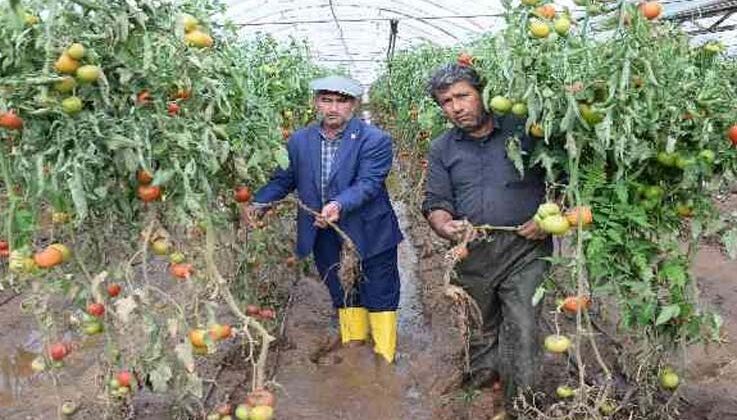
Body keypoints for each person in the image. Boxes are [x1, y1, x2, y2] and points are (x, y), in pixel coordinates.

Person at [245, 75, 404, 363]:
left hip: (370, 231)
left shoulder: (375, 140)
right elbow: (284, 179)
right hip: (323, 233)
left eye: (341, 101)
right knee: (342, 290)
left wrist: (338, 204)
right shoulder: (299, 140)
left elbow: (369, 183)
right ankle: (355, 352)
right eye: (326, 100)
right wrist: (260, 202)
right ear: (316, 102)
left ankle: (384, 357)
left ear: (354, 105)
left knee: (380, 290)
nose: (333, 108)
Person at [422, 63, 552, 411]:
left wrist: (547, 216)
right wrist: (444, 224)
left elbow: (562, 181)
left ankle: (521, 403)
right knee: (480, 323)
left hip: (525, 249)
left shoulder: (525, 132)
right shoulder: (442, 148)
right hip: (472, 251)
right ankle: (481, 385)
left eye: (463, 95)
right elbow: (436, 202)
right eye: (446, 101)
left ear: (483, 92)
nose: (456, 107)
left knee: (523, 326)